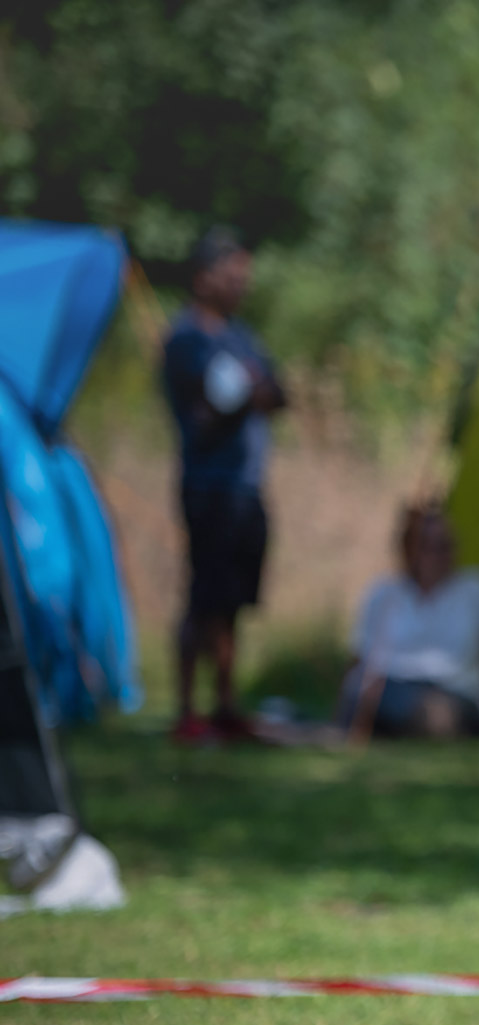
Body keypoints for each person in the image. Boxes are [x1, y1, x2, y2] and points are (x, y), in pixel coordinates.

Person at [160, 227, 285, 743]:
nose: (240, 286)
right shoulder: (186, 339)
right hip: (208, 486)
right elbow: (206, 412)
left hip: (245, 486)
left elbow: (277, 392)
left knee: (232, 602)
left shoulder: (241, 337)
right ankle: (188, 710)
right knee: (203, 598)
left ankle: (226, 706)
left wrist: (250, 393)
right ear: (203, 276)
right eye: (232, 275)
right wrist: (242, 396)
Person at [339, 505, 479, 740]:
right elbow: (359, 660)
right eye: (428, 546)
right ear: (409, 548)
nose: (438, 555)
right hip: (391, 687)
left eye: (445, 546)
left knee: (435, 713)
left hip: (455, 694)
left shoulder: (477, 590)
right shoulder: (384, 594)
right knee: (367, 691)